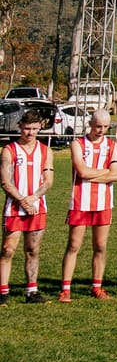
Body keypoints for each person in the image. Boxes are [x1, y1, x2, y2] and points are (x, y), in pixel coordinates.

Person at [56, 109, 117, 301]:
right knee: (74, 245)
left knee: (100, 246)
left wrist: (102, 173)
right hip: (80, 202)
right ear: (90, 124)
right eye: (98, 126)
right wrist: (105, 173)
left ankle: (97, 287)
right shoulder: (78, 144)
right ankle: (65, 289)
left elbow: (116, 175)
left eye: (105, 127)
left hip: (104, 202)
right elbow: (82, 172)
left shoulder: (112, 146)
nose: (101, 130)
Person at [0, 111, 52, 303]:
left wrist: (33, 199)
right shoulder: (9, 150)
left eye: (34, 129)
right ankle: (3, 291)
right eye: (26, 128)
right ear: (20, 127)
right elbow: (5, 181)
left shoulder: (45, 151)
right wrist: (23, 201)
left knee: (33, 250)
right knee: (7, 249)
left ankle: (32, 291)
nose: (30, 133)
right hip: (14, 208)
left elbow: (48, 181)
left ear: (40, 128)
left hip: (37, 208)